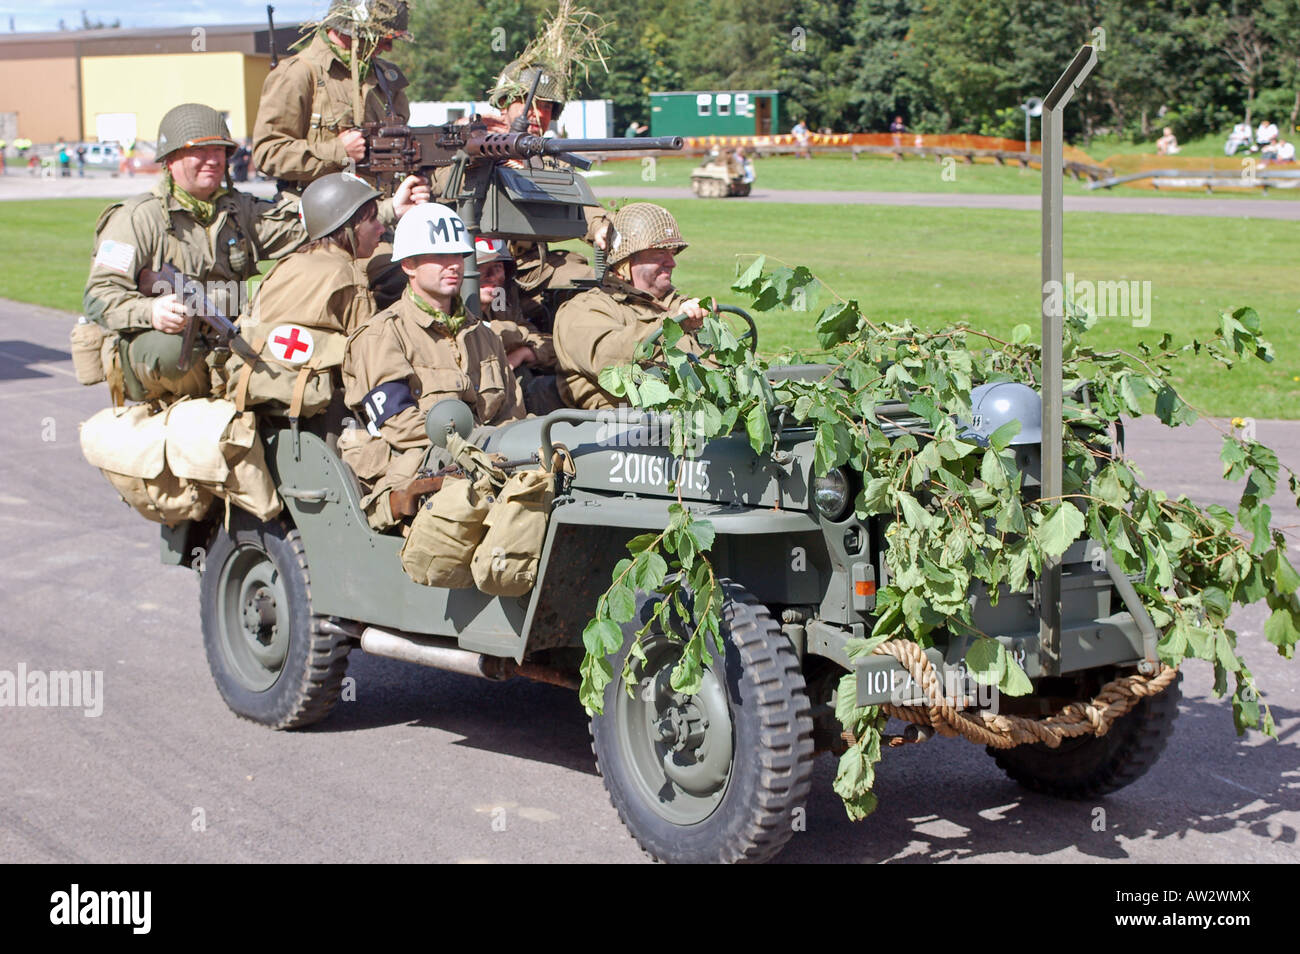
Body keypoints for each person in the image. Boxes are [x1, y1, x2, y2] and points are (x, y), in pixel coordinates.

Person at [83, 103, 306, 404]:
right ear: (171, 158)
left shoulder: (240, 210)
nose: (213, 160)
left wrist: (383, 211)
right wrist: (151, 312)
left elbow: (302, 229)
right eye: (199, 151)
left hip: (227, 337)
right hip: (164, 351)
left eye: (220, 151)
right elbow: (98, 296)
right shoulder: (136, 218)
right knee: (169, 349)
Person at [341, 204, 525, 529]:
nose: (452, 265)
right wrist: (481, 447)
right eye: (438, 257)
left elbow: (512, 414)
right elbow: (400, 426)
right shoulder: (382, 335)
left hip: (488, 466)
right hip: (418, 476)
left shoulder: (483, 335)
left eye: (456, 256)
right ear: (409, 265)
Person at [252, 0, 412, 206]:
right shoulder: (298, 74)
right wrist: (339, 151)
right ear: (352, 29)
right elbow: (268, 154)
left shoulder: (387, 78)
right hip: (319, 219)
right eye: (382, 37)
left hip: (381, 215)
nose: (388, 48)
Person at [553, 203, 709, 410]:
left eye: (672, 253)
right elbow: (610, 358)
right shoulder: (583, 309)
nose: (672, 263)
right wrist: (671, 325)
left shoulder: (675, 305)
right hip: (618, 428)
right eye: (658, 254)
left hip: (685, 419)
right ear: (624, 262)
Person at [476, 237, 564, 415]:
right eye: (481, 268)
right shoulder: (451, 308)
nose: (493, 276)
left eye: (498, 267)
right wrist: (510, 332)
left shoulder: (501, 304)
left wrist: (524, 353)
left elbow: (551, 346)